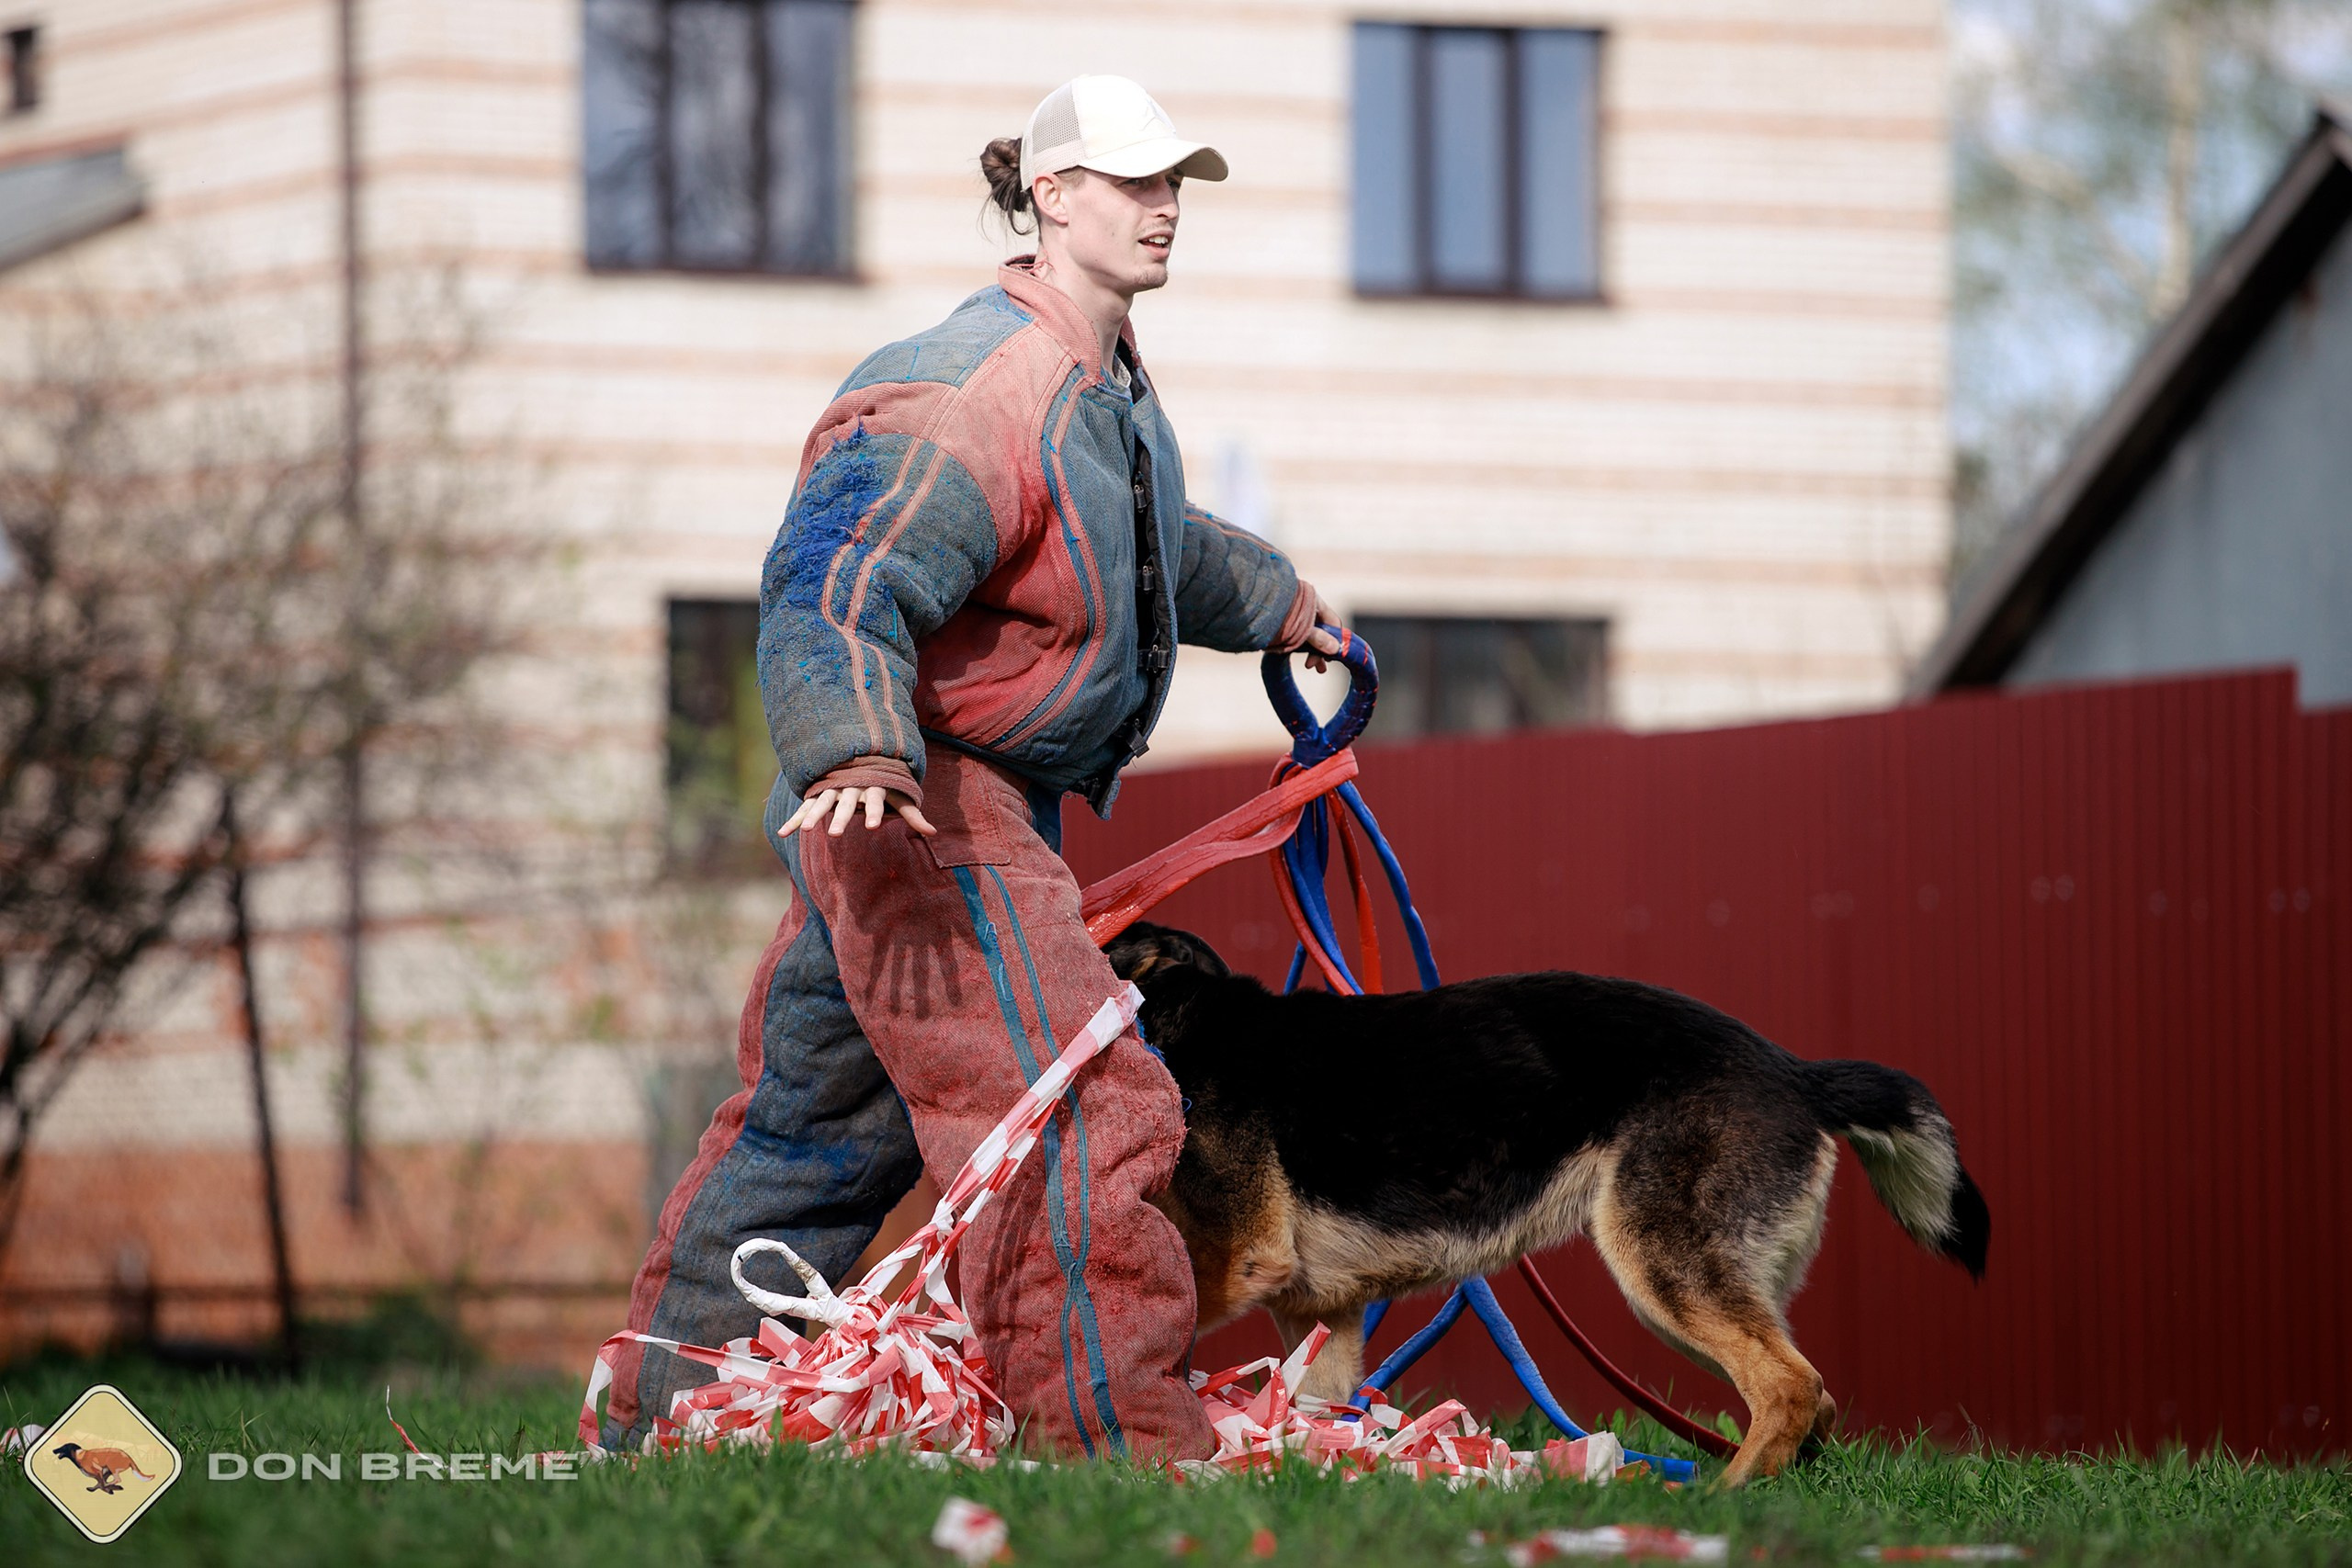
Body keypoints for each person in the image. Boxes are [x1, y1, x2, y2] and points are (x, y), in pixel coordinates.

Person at [603, 75, 1344, 1461]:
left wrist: (1278, 596)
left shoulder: (1094, 382)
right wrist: (862, 744)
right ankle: (1121, 1451)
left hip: (919, 804)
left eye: (1179, 181)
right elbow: (833, 578)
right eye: (1134, 183)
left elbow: (1149, 544)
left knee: (813, 1139)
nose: (1167, 204)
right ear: (1052, 197)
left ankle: (661, 1428)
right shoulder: (973, 384)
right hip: (921, 799)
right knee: (1081, 1106)